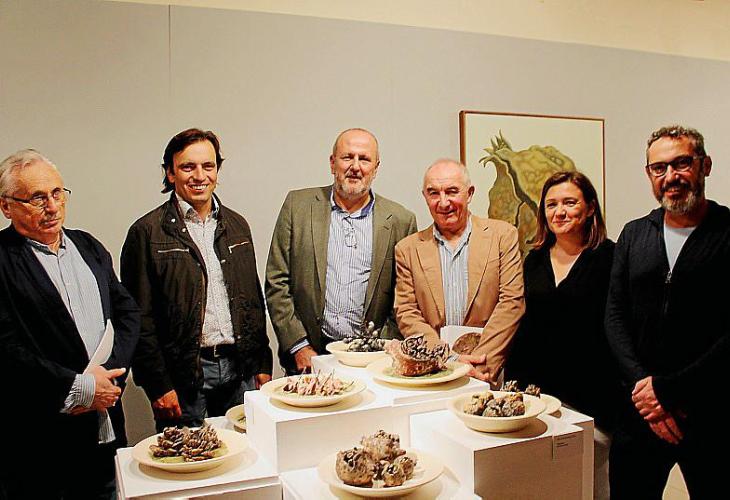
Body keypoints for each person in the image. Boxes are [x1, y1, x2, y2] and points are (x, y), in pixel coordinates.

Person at [0, 150, 140, 499]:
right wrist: (79, 387)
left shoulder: (87, 245)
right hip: (41, 442)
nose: (52, 207)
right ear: (7, 207)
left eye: (57, 193)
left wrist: (110, 375)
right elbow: (6, 350)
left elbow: (126, 312)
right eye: (37, 198)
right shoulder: (2, 260)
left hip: (105, 426)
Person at [605, 125, 730, 499]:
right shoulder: (633, 235)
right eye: (659, 168)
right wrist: (646, 392)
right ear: (649, 174)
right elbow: (615, 315)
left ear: (705, 165)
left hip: (711, 412)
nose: (670, 176)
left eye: (681, 164)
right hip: (640, 411)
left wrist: (669, 391)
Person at [121, 128, 272, 430]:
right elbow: (139, 318)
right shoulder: (147, 233)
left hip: (239, 371)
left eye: (208, 166)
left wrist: (262, 363)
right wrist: (157, 385)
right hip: (184, 379)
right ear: (170, 173)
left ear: (217, 170)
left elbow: (253, 301)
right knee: (190, 458)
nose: (199, 176)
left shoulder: (237, 225)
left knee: (245, 452)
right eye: (188, 167)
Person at [505, 171, 620, 500]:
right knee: (546, 485)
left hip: (592, 396)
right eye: (551, 204)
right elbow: (525, 324)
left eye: (569, 202)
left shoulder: (611, 257)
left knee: (592, 486)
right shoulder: (535, 259)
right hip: (539, 394)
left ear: (590, 208)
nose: (560, 211)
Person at [266, 128, 417, 374]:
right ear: (332, 163)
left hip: (373, 359)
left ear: (376, 168)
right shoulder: (297, 206)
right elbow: (276, 282)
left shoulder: (401, 220)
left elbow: (405, 296)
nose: (355, 166)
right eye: (347, 157)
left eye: (364, 159)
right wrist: (299, 346)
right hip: (309, 355)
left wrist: (380, 348)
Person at [394, 159, 524, 384]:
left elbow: (512, 303)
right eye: (433, 193)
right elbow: (407, 312)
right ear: (425, 197)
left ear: (470, 193)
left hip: (488, 372)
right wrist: (447, 359)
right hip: (434, 372)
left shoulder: (503, 236)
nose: (443, 202)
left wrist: (480, 364)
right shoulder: (407, 249)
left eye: (452, 191)